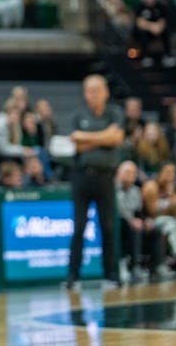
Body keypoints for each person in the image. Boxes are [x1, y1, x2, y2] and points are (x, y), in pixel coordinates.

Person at [66, 75, 124, 290]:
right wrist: (103, 137)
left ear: (106, 92)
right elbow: (75, 146)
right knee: (79, 227)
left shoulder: (115, 112)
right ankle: (73, 276)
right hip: (81, 178)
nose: (93, 94)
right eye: (89, 90)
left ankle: (111, 274)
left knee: (108, 227)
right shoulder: (77, 115)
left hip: (106, 178)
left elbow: (116, 139)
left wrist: (86, 137)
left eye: (97, 90)